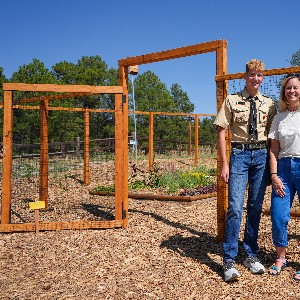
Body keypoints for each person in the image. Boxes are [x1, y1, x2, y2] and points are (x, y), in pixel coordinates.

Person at [214, 59, 276, 282]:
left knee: (255, 207)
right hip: (239, 155)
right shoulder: (231, 100)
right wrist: (224, 163)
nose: (256, 79)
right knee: (234, 207)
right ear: (245, 76)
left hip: (261, 156)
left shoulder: (269, 104)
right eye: (252, 75)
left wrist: (273, 165)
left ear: (263, 77)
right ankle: (229, 258)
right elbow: (221, 132)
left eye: (259, 75)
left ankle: (250, 253)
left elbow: (273, 136)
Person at [267, 75, 300, 280]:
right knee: (278, 216)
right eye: (289, 88)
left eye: (296, 87)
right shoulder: (278, 118)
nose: (292, 91)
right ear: (284, 92)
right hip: (284, 170)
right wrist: (274, 175)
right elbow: (273, 151)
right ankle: (281, 257)